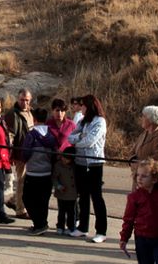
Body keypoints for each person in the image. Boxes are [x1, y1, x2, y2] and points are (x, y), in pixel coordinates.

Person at [67, 94, 108, 242]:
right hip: (80, 163)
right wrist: (80, 137)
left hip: (94, 163)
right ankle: (83, 227)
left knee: (96, 197)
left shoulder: (100, 122)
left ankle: (101, 231)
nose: (80, 108)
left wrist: (80, 139)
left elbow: (90, 141)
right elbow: (70, 137)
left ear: (89, 106)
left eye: (82, 105)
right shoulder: (83, 121)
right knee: (83, 196)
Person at [21, 108, 57, 235]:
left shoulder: (31, 135)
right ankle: (42, 223)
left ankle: (39, 224)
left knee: (28, 199)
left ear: (34, 119)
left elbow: (25, 154)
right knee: (43, 201)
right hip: (47, 173)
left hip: (33, 172)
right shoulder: (51, 134)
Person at [131, 105, 158, 193]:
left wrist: (140, 164)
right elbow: (133, 152)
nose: (142, 119)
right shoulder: (143, 134)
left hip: (156, 182)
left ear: (151, 119)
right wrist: (132, 161)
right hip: (140, 181)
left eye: (144, 116)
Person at [6, 89, 34, 218]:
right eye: (22, 100)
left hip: (32, 153)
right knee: (21, 180)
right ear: (18, 99)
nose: (24, 103)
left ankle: (14, 201)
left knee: (29, 181)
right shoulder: (12, 114)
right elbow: (9, 134)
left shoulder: (31, 113)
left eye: (27, 100)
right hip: (20, 152)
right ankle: (20, 210)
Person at [53, 146, 78, 235]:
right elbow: (54, 178)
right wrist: (59, 186)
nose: (64, 160)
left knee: (71, 212)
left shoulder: (75, 167)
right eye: (63, 157)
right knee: (61, 211)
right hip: (61, 193)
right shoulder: (58, 165)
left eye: (67, 159)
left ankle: (71, 226)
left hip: (72, 193)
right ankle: (60, 226)